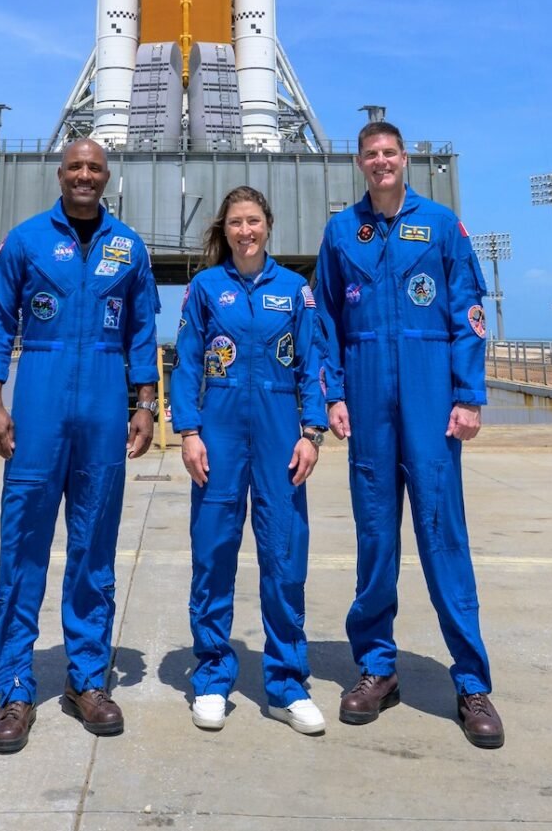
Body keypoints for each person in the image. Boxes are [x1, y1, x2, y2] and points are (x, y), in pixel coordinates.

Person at [316, 119, 504, 749]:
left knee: (443, 538)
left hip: (429, 402)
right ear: (360, 164)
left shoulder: (442, 225)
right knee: (375, 540)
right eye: (370, 155)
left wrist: (468, 395)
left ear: (405, 158)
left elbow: (468, 312)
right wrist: (333, 396)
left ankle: (472, 682)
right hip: (367, 404)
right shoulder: (342, 231)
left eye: (389, 153)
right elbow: (326, 323)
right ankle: (376, 669)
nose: (380, 162)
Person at [0, 137, 160, 754]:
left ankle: (86, 680)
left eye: (95, 168)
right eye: (76, 166)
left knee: (93, 549)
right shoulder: (25, 241)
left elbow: (140, 331)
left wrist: (144, 404)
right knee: (22, 546)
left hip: (105, 406)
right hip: (40, 403)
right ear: (61, 174)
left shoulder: (127, 247)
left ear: (107, 178)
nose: (85, 175)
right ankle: (15, 688)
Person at [171, 185, 339, 735]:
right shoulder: (203, 289)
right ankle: (214, 677)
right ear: (225, 229)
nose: (246, 231)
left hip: (278, 432)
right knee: (213, 555)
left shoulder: (295, 290)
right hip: (217, 433)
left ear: (268, 225)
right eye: (237, 222)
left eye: (254, 221)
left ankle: (287, 685)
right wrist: (189, 432)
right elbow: (187, 363)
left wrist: (311, 432)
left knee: (285, 557)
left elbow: (313, 362)